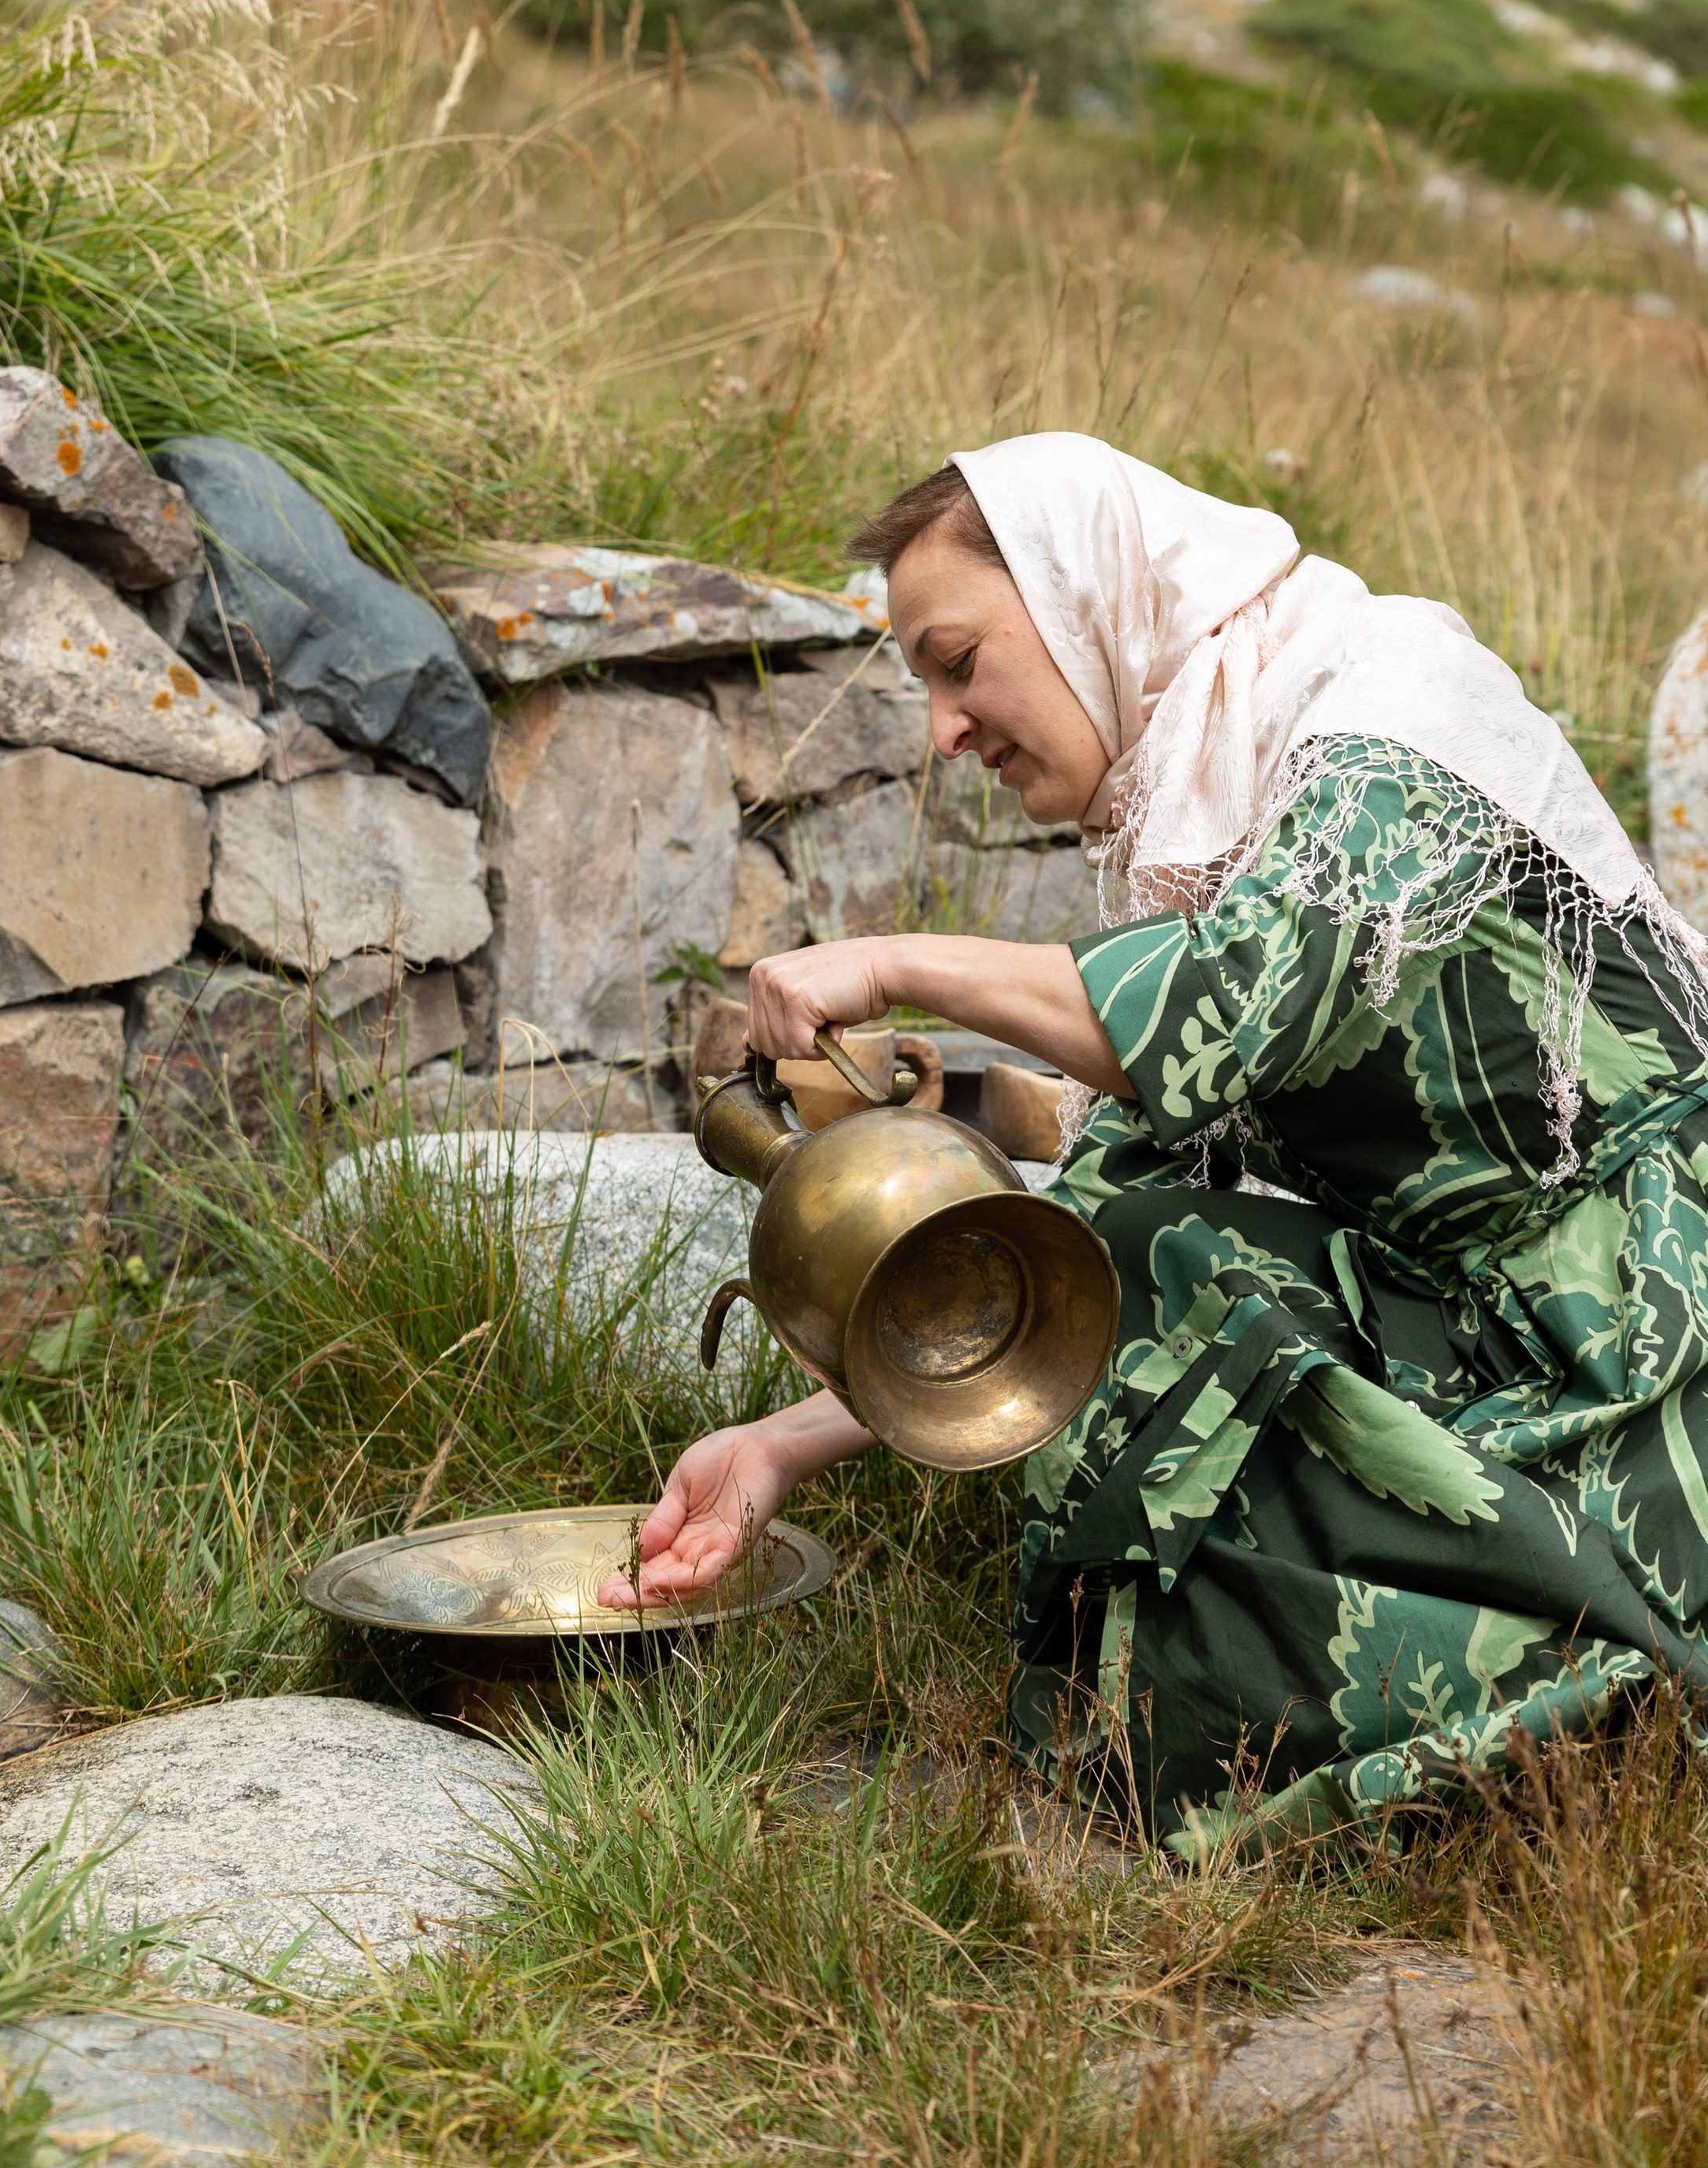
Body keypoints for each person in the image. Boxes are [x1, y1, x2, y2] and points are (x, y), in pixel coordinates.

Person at [601, 433, 1708, 1860]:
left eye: (958, 661)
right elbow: (1094, 1239)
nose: (945, 727)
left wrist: (892, 965)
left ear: (1081, 600)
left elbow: (1229, 1009)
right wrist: (782, 1446)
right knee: (1157, 1312)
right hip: (1481, 1316)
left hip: (1644, 1345)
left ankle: (1613, 1653)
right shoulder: (1217, 795)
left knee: (1219, 1586)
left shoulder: (1391, 711)